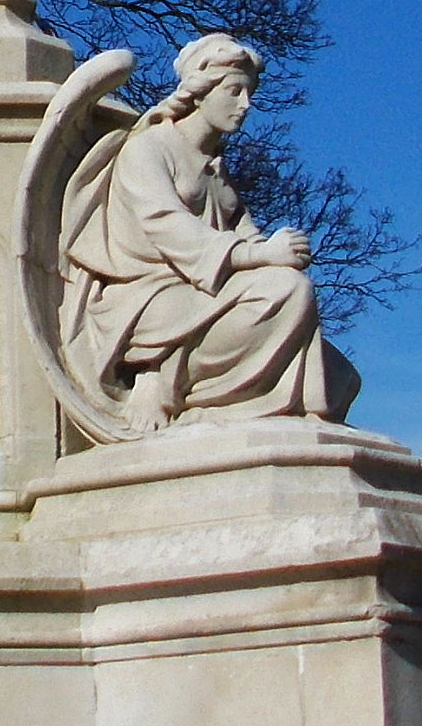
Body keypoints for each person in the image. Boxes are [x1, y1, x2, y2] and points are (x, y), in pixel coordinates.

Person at [59, 33, 341, 432]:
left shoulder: (216, 169)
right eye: (234, 91)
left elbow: (247, 235)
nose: (245, 106)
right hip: (147, 297)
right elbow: (167, 226)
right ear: (201, 91)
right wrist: (260, 257)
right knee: (289, 292)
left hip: (203, 291)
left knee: (341, 378)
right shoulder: (148, 148)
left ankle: (215, 395)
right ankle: (158, 374)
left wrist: (281, 249)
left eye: (249, 94)